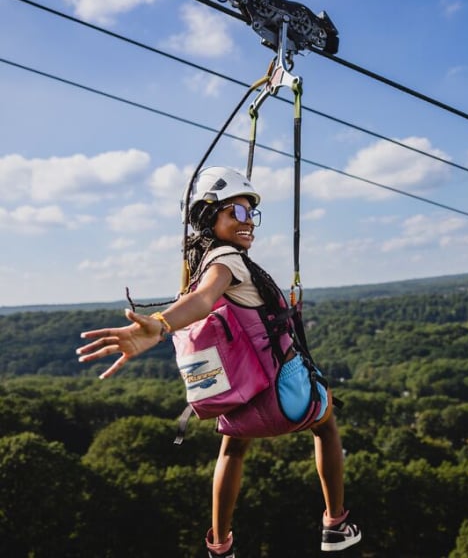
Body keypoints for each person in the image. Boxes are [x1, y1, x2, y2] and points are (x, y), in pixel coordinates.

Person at [76, 166, 362, 556]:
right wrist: (159, 327)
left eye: (251, 215)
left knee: (231, 449)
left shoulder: (201, 266)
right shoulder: (227, 259)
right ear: (211, 218)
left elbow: (202, 299)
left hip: (241, 402)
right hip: (284, 398)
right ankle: (335, 524)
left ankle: (220, 545)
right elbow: (203, 301)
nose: (248, 224)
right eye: (237, 214)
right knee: (326, 425)